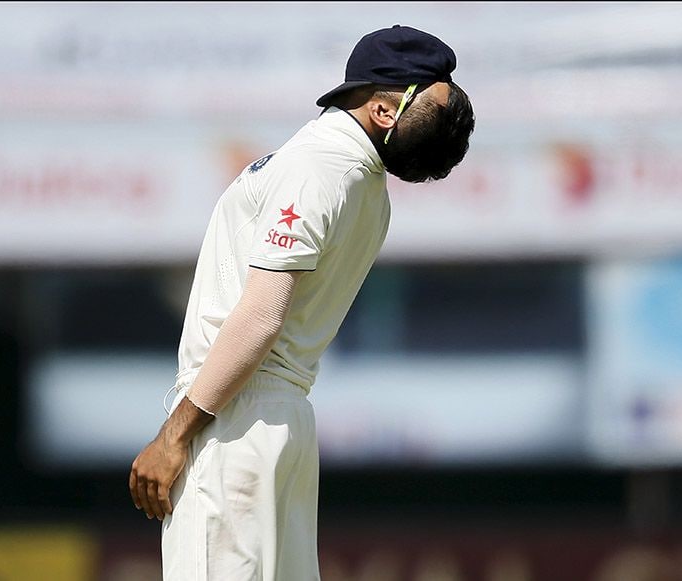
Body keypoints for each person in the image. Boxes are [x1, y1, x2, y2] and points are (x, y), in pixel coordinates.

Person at [129, 24, 475, 580]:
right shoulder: (356, 183)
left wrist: (174, 434)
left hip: (232, 418)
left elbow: (262, 318)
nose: (451, 128)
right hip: (281, 421)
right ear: (385, 110)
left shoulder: (321, 167)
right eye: (439, 105)